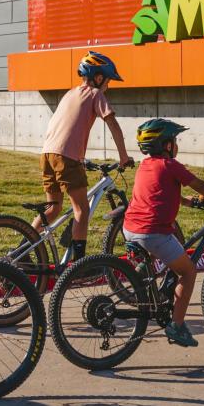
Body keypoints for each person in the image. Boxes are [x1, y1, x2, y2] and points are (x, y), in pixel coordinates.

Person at [121, 118, 204, 348]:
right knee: (188, 272)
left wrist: (190, 203)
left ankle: (144, 278)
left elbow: (161, 193)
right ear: (165, 145)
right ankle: (176, 326)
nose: (176, 145)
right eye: (174, 140)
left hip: (130, 229)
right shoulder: (169, 166)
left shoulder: (146, 165)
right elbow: (201, 185)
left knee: (165, 246)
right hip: (152, 233)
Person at [37, 51, 133, 265]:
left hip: (47, 154)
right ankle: (79, 264)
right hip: (66, 157)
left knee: (52, 208)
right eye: (108, 81)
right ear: (99, 78)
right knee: (82, 208)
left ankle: (24, 246)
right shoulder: (95, 94)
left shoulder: (70, 93)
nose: (108, 86)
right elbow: (113, 124)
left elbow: (68, 127)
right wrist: (124, 156)